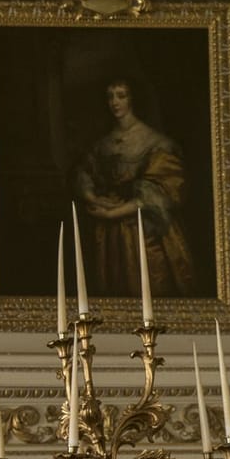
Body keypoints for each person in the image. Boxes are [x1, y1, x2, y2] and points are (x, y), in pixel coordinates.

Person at [75, 77, 197, 298]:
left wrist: (113, 213)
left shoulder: (154, 141)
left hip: (144, 229)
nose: (115, 102)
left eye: (121, 95)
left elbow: (161, 191)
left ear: (134, 99)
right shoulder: (103, 143)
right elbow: (85, 173)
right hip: (110, 237)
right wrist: (93, 198)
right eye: (110, 96)